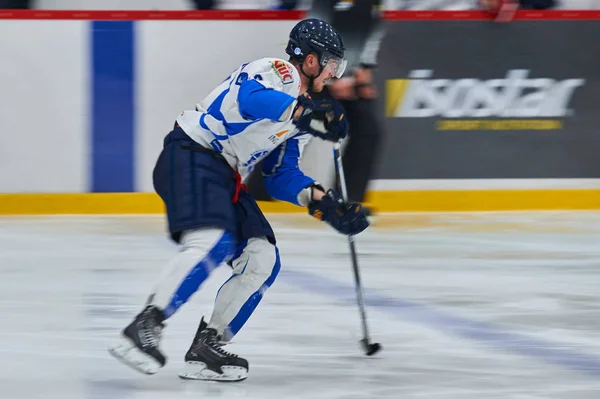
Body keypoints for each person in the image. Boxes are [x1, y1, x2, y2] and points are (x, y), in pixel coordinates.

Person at [108, 18, 369, 382]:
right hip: (192, 154)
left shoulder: (302, 114)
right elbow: (250, 99)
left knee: (261, 257)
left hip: (221, 173)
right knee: (214, 239)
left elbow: (281, 177)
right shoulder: (279, 72)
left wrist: (325, 205)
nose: (333, 74)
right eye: (331, 65)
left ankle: (207, 346)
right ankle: (145, 326)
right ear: (310, 60)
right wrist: (304, 113)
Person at [308, 0, 386, 216]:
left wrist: (363, 70)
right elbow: (311, 35)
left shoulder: (373, 4)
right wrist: (331, 78)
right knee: (289, 125)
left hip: (348, 80)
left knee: (368, 130)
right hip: (314, 76)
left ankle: (347, 200)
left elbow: (374, 32)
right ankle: (257, 191)